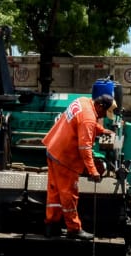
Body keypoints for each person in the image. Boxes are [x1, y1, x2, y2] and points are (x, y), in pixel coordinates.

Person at [42, 80, 114, 240]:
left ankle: (51, 225)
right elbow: (85, 148)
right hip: (65, 158)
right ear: (100, 106)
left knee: (54, 192)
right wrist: (93, 171)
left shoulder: (83, 101)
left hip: (54, 149)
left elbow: (84, 122)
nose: (103, 116)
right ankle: (74, 228)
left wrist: (101, 130)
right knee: (69, 194)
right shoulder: (89, 118)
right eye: (104, 113)